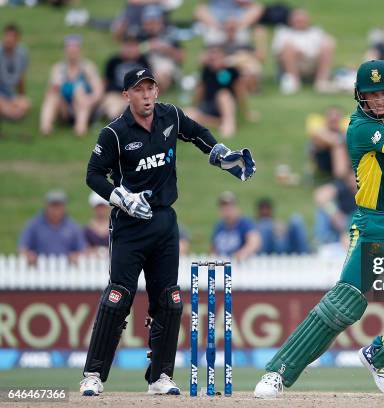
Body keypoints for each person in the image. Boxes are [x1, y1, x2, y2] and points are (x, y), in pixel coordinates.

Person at [253, 60, 384, 398]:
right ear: (359, 96)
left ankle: (380, 355)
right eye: (371, 94)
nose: (379, 100)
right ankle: (277, 372)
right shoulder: (360, 128)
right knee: (344, 303)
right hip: (373, 226)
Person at [80, 67, 255, 396]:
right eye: (138, 90)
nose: (146, 95)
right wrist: (123, 199)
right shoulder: (114, 133)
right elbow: (93, 176)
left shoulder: (170, 115)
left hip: (163, 222)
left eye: (150, 88)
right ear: (126, 95)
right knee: (118, 297)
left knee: (171, 299)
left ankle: (160, 377)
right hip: (130, 225)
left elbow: (198, 133)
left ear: (157, 91)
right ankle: (93, 375)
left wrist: (223, 155)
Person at [184, 46, 255, 138]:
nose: (214, 60)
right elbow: (200, 91)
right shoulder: (206, 70)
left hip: (226, 104)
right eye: (212, 58)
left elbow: (240, 92)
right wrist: (195, 107)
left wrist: (247, 113)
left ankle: (229, 124)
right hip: (209, 106)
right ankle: (221, 123)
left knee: (223, 94)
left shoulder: (231, 71)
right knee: (186, 114)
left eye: (217, 57)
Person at [40, 35, 104, 137]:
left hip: (84, 107)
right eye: (69, 49)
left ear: (80, 50)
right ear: (65, 51)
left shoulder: (87, 67)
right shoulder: (58, 68)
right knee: (53, 95)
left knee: (79, 90)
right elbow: (49, 93)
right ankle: (46, 127)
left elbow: (98, 91)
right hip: (65, 108)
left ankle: (80, 127)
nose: (72, 52)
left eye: (75, 49)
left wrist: (88, 101)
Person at [271, 8, 336, 94]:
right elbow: (277, 53)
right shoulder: (284, 32)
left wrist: (308, 54)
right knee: (288, 47)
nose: (300, 22)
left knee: (328, 43)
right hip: (293, 62)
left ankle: (321, 82)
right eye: (297, 20)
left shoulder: (316, 32)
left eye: (302, 20)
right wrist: (297, 53)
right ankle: (293, 81)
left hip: (312, 62)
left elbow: (326, 45)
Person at [19, 190, 86, 266]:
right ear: (46, 206)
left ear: (64, 207)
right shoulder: (33, 225)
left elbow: (82, 250)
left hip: (67, 271)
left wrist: (76, 256)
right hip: (38, 270)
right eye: (53, 205)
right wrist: (29, 255)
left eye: (59, 205)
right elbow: (23, 248)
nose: (56, 210)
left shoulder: (73, 227)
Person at [101, 35, 150, 120]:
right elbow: (106, 82)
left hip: (136, 95)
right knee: (114, 109)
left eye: (133, 46)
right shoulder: (114, 61)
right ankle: (116, 123)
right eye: (127, 46)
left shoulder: (143, 61)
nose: (130, 50)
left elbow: (149, 82)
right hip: (115, 94)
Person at [140, 5, 184, 91]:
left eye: (155, 22)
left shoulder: (170, 35)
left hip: (166, 70)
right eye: (148, 22)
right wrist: (147, 46)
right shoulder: (139, 36)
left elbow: (181, 57)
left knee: (162, 73)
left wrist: (166, 49)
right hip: (145, 68)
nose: (152, 25)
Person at [211, 191, 261, 260]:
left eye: (229, 207)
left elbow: (254, 241)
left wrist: (244, 252)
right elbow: (214, 249)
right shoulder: (219, 227)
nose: (226, 210)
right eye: (223, 207)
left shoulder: (244, 223)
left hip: (241, 264)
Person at [306, 106, 350, 184]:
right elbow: (331, 140)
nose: (333, 118)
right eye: (330, 116)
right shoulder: (319, 131)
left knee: (340, 147)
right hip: (323, 161)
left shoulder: (345, 131)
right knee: (338, 148)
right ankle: (340, 182)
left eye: (337, 116)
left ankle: (342, 180)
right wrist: (340, 141)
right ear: (325, 119)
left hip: (347, 162)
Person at [0, 23, 30, 122]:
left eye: (12, 37)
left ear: (17, 39)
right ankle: (11, 113)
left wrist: (21, 97)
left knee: (25, 103)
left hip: (10, 94)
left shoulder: (22, 53)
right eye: (7, 36)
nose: (9, 39)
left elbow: (21, 78)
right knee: (9, 108)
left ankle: (11, 111)